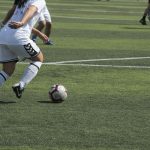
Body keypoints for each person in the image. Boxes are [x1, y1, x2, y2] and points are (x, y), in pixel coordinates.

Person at [0, 0, 47, 99]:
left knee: (8, 69)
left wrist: (38, 33)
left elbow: (13, 11)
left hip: (3, 36)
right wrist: (22, 23)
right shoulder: (39, 0)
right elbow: (31, 9)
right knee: (39, 59)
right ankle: (21, 85)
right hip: (17, 36)